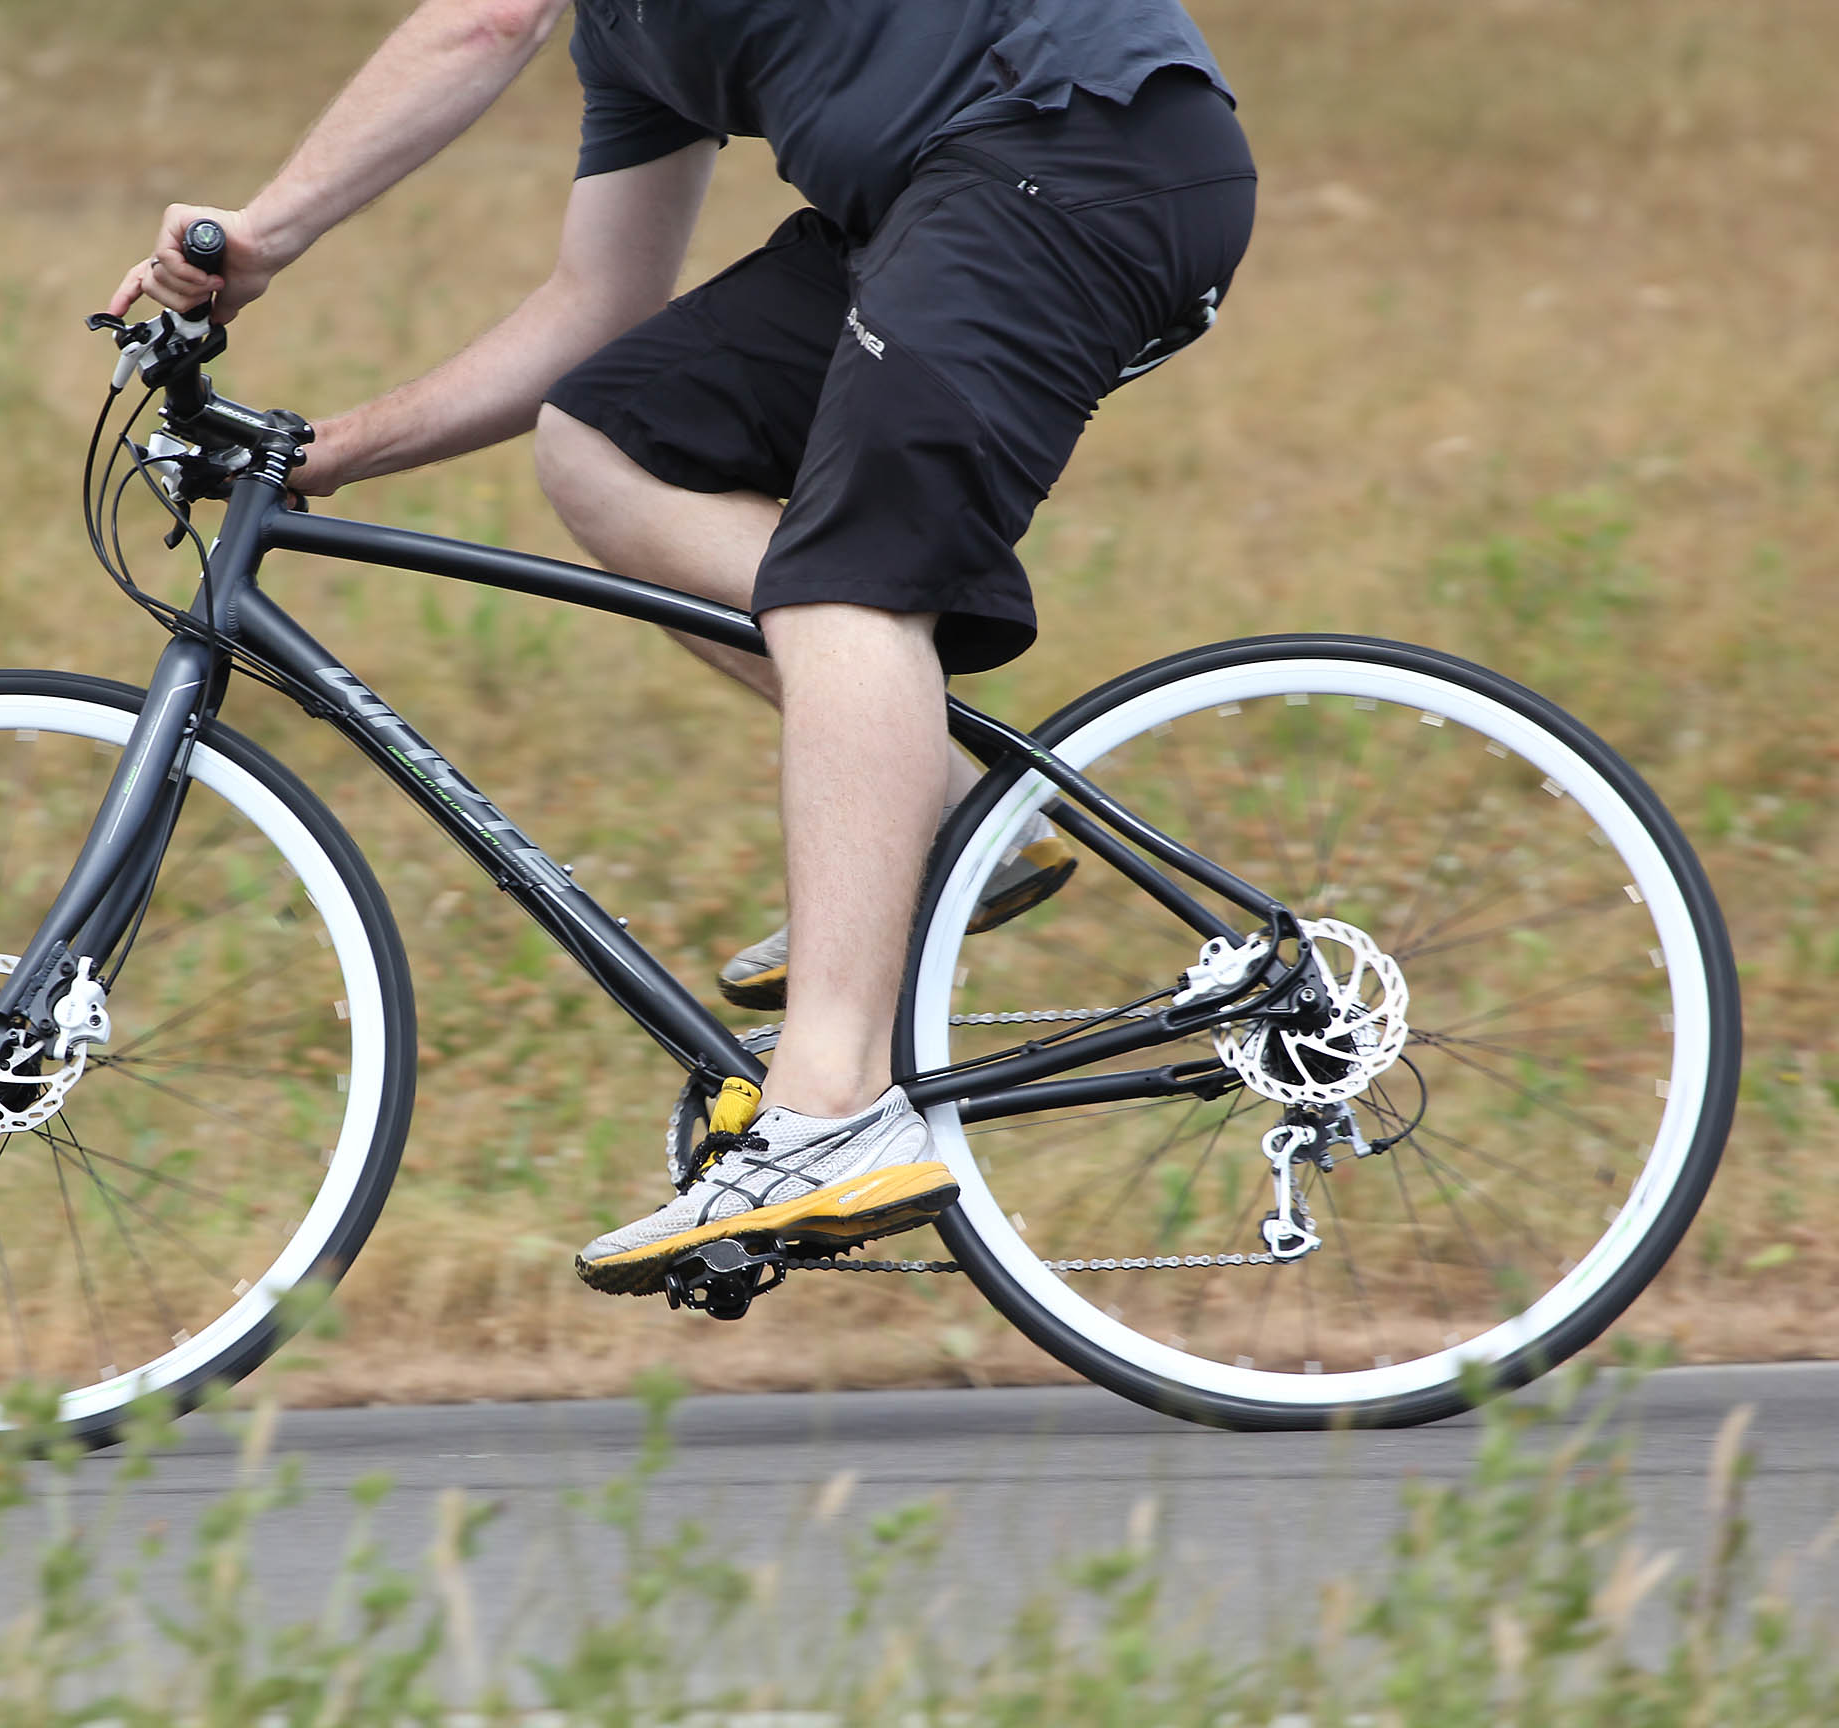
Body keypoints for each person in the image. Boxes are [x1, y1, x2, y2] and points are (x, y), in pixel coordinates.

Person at [107, 0, 1256, 1297]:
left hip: (1071, 152)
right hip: (958, 191)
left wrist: (265, 233)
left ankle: (829, 1117)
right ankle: (938, 803)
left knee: (850, 579)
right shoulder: (637, 40)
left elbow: (484, 22)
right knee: (611, 441)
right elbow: (598, 302)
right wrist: (321, 454)